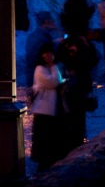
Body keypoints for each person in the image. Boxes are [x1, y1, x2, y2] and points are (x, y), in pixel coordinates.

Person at [29, 42, 68, 172]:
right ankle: (43, 165)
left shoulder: (51, 67)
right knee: (44, 138)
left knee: (51, 137)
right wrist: (53, 66)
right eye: (45, 53)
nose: (48, 56)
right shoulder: (40, 69)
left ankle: (49, 161)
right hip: (43, 110)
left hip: (51, 109)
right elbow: (54, 82)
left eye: (50, 53)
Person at [56, 33, 97, 154]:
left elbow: (91, 61)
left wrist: (77, 70)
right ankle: (73, 139)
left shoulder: (85, 46)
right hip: (68, 85)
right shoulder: (64, 45)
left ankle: (78, 139)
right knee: (70, 113)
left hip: (80, 86)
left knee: (78, 113)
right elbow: (59, 58)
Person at [22, 11, 59, 91]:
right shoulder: (43, 38)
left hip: (34, 78)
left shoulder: (33, 36)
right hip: (42, 81)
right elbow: (46, 55)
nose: (54, 22)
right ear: (46, 22)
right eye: (52, 20)